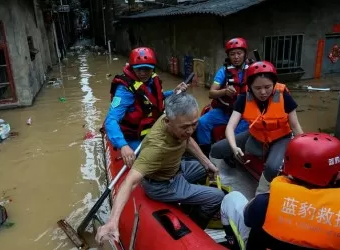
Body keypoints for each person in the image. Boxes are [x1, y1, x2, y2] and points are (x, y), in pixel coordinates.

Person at [96, 93, 225, 244]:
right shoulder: (156, 148)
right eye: (185, 127)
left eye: (194, 124)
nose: (190, 130)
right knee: (217, 196)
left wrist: (206, 163)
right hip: (163, 185)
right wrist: (113, 220)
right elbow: (130, 182)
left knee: (206, 168)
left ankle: (188, 203)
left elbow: (187, 140)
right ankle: (195, 226)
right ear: (167, 122)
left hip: (175, 167)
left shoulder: (176, 123)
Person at [220, 133, 340, 250]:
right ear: (339, 174)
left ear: (288, 168)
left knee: (231, 198)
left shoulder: (266, 203)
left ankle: (231, 243)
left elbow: (249, 219)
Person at [210, 61, 303, 196]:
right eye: (257, 88)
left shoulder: (284, 96)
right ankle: (225, 170)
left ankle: (260, 194)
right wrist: (234, 148)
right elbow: (230, 127)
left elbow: (295, 126)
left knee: (272, 167)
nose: (263, 92)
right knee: (216, 149)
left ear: (274, 84)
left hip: (281, 137)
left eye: (267, 87)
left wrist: (302, 150)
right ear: (249, 86)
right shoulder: (243, 99)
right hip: (256, 135)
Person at [104, 47, 188, 167]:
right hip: (133, 136)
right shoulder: (124, 90)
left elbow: (155, 99)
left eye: (147, 69)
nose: (143, 73)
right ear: (132, 68)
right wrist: (123, 145)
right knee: (154, 158)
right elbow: (111, 120)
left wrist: (174, 92)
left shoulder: (152, 80)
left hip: (153, 130)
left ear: (152, 68)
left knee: (181, 141)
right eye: (139, 69)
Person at [195, 38, 252, 156]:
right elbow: (211, 93)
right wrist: (224, 91)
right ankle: (206, 153)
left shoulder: (252, 70)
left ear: (245, 54)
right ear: (228, 56)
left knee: (236, 134)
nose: (236, 57)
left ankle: (232, 154)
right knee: (202, 122)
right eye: (232, 54)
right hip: (224, 111)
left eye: (239, 53)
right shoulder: (223, 71)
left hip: (244, 114)